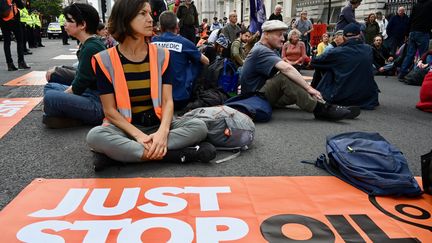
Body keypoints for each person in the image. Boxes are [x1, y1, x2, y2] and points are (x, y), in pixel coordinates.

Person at [86, 0, 215, 171]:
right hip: (126, 128)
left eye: (149, 13)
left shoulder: (162, 55)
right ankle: (175, 155)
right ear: (125, 18)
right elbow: (109, 110)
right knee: (95, 136)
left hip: (158, 123)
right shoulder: (103, 59)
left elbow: (168, 101)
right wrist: (138, 135)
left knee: (199, 127)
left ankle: (122, 156)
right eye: (142, 14)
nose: (150, 19)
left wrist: (162, 133)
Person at [240, 20, 354, 121]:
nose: (283, 39)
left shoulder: (267, 48)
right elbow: (286, 68)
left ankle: (326, 105)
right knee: (285, 77)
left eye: (283, 35)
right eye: (279, 35)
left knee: (295, 87)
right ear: (266, 35)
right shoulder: (261, 50)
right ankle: (322, 109)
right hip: (255, 98)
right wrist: (309, 88)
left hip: (261, 95)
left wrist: (306, 88)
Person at [43, 3, 106, 128]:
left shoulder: (91, 48)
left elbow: (78, 86)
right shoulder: (89, 44)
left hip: (98, 104)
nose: (65, 24)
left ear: (82, 25)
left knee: (51, 98)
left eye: (69, 20)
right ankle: (65, 115)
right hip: (90, 94)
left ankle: (73, 118)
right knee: (50, 87)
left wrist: (61, 99)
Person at [311, 23, 379, 110]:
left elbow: (314, 62)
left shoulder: (338, 52)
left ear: (344, 37)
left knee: (327, 66)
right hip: (367, 99)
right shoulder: (368, 49)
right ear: (360, 35)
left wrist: (334, 44)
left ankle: (315, 95)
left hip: (341, 97)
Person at [152, 10, 209, 109]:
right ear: (177, 27)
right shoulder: (184, 43)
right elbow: (206, 61)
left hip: (156, 97)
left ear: (160, 27)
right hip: (179, 97)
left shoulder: (152, 42)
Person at [398, 0, 432, 81]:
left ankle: (402, 74)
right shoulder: (430, 3)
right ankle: (417, 75)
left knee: (409, 54)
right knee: (423, 55)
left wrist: (407, 33)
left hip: (412, 32)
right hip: (423, 32)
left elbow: (410, 19)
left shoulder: (416, 5)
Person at [0, 0, 30, 71]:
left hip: (3, 21)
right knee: (20, 41)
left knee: (7, 42)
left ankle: (9, 64)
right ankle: (21, 62)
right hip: (14, 20)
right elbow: (21, 6)